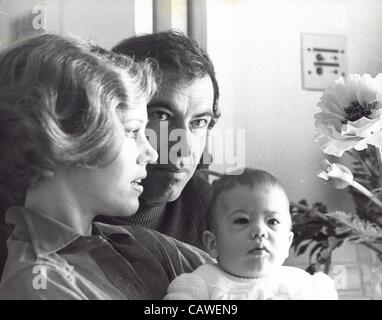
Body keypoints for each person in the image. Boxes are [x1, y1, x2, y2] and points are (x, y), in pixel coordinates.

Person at [0, 33, 213, 299]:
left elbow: (244, 282)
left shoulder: (140, 243)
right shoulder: (38, 282)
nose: (150, 152)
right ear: (61, 141)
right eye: (133, 131)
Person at [96, 31, 220, 249]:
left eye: (199, 122)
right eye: (161, 115)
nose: (183, 149)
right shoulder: (74, 209)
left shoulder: (208, 206)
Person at [164, 168, 338, 300]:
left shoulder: (304, 285)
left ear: (287, 242)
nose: (260, 231)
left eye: (272, 222)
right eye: (242, 220)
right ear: (212, 243)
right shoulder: (201, 284)